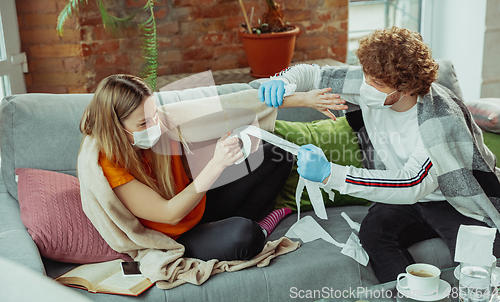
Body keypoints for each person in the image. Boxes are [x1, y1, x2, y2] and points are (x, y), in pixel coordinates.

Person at [258, 26, 500, 283]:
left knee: (482, 264)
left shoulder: (439, 120)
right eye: (366, 77)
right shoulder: (370, 81)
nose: (366, 87)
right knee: (374, 233)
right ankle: (405, 297)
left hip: (454, 201)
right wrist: (282, 80)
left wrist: (331, 174)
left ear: (405, 89)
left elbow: (412, 183)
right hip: (410, 202)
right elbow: (311, 73)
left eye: (378, 84)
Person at [78, 74, 343, 262]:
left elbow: (236, 106)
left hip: (201, 205)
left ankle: (241, 221)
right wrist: (216, 164)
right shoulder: (107, 164)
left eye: (154, 115)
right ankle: (256, 226)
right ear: (116, 128)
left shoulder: (162, 120)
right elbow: (169, 214)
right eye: (143, 124)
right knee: (245, 236)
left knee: (276, 153)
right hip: (176, 235)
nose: (155, 125)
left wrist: (305, 99)